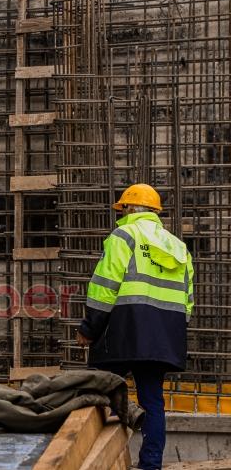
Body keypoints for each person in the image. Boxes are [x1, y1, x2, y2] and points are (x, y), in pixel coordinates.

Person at [76, 184, 193, 470]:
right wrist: (168, 332)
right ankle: (150, 465)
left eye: (122, 208)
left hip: (124, 330)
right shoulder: (178, 246)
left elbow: (105, 288)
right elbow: (187, 302)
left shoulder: (124, 235)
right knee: (153, 401)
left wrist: (89, 329)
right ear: (155, 212)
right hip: (163, 335)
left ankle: (95, 460)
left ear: (129, 208)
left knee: (102, 394)